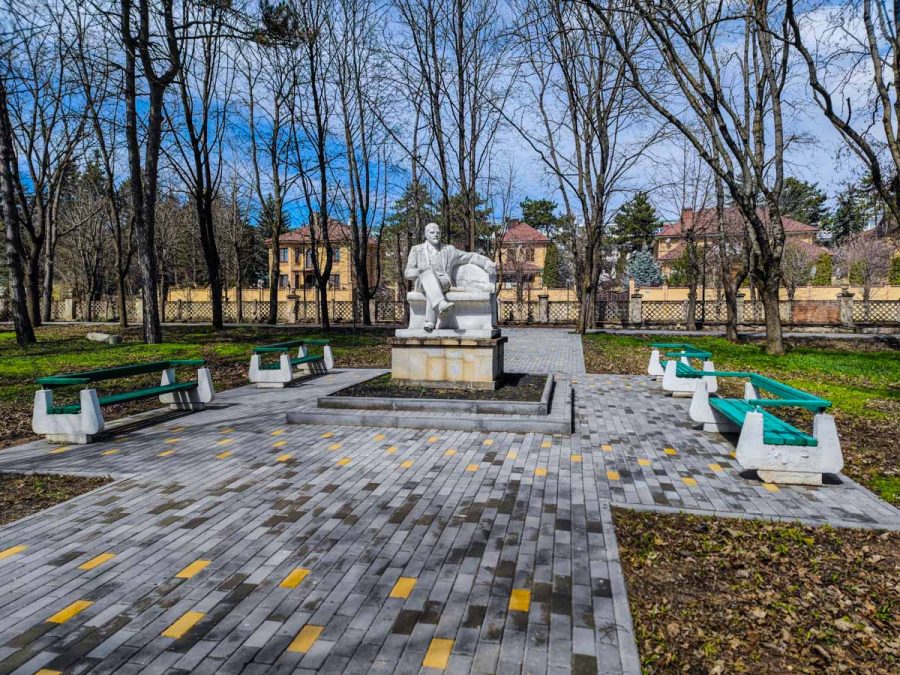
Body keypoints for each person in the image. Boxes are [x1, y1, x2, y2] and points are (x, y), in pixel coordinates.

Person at [405, 222, 496, 330]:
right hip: (422, 283)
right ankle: (440, 304)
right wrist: (421, 271)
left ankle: (431, 321)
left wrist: (486, 262)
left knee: (433, 287)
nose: (436, 235)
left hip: (444, 283)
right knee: (429, 273)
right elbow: (408, 273)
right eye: (432, 232)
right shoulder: (416, 250)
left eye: (438, 232)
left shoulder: (449, 250)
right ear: (426, 234)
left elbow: (469, 256)